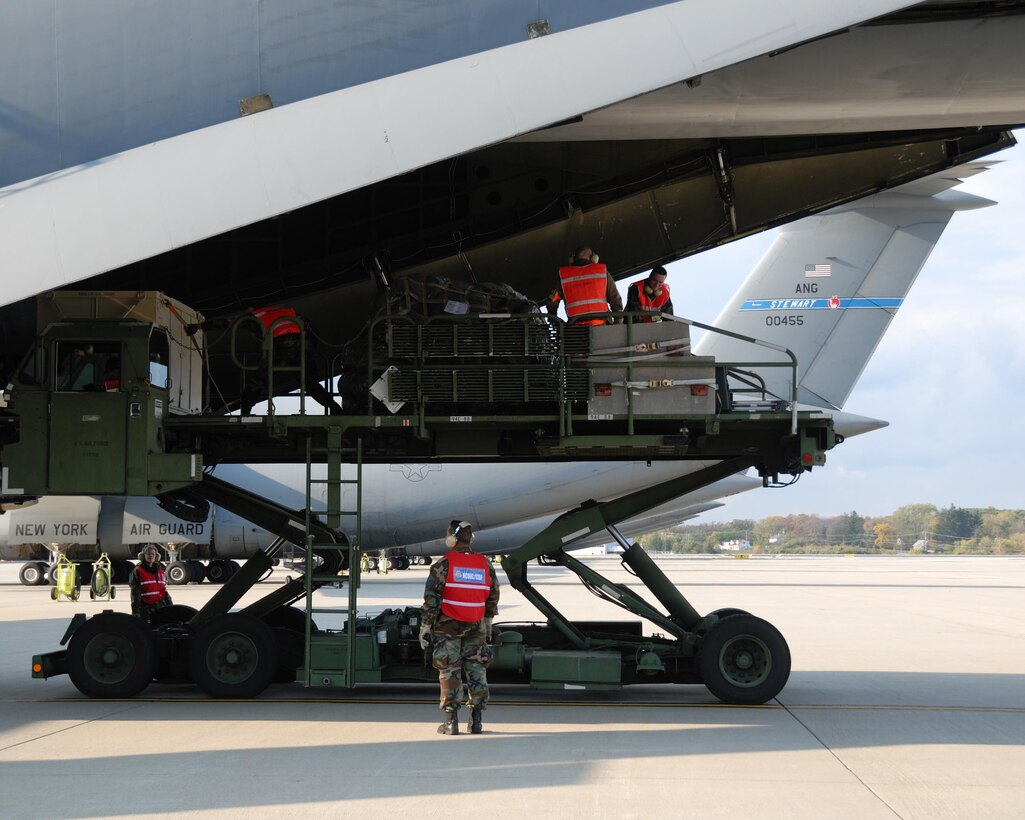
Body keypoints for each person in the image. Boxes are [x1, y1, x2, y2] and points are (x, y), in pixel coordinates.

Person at [419, 520, 500, 735]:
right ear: (471, 539)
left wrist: (425, 626)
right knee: (477, 671)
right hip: (476, 626)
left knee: (449, 671)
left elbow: (432, 599)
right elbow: (493, 595)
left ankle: (450, 722)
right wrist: (488, 620)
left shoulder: (443, 564)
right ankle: (476, 722)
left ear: (451, 539)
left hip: (448, 628)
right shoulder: (485, 564)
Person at [188, 305, 342, 415]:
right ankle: (335, 409)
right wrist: (311, 353)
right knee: (309, 382)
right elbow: (312, 331)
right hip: (302, 347)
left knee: (259, 381)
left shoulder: (254, 318)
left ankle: (245, 414)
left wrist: (199, 326)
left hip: (281, 346)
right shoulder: (290, 311)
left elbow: (226, 323)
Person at [545, 245, 624, 325]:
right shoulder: (601, 272)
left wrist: (553, 317)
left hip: (576, 330)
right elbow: (615, 299)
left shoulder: (563, 276)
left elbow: (551, 300)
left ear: (572, 259)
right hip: (602, 327)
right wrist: (618, 321)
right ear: (593, 258)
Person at [129, 545, 173, 622]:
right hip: (145, 608)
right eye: (148, 554)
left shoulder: (160, 571)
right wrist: (136, 611)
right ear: (143, 556)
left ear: (156, 556)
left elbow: (163, 590)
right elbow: (135, 593)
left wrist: (170, 605)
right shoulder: (137, 571)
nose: (151, 556)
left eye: (153, 554)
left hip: (160, 606)